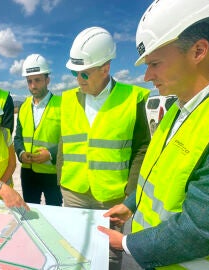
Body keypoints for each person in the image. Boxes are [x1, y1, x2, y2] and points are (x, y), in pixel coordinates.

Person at [97, 0, 209, 269]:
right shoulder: (178, 107)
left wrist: (125, 244)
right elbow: (160, 172)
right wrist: (131, 204)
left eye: (155, 63)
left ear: (198, 51)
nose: (147, 76)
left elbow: (203, 229)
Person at [59, 26, 150, 209]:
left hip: (113, 197)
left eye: (84, 73)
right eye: (74, 73)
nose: (78, 79)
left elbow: (141, 148)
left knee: (110, 239)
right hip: (73, 193)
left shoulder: (131, 98)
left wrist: (131, 192)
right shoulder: (67, 100)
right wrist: (60, 179)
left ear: (105, 69)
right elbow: (64, 143)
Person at [14, 54, 62, 206]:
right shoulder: (23, 106)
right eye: (29, 81)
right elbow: (18, 138)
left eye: (37, 80)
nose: (33, 85)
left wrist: (50, 154)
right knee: (30, 211)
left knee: (54, 212)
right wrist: (21, 153)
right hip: (28, 172)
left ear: (47, 80)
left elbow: (69, 140)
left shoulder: (62, 105)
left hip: (52, 172)